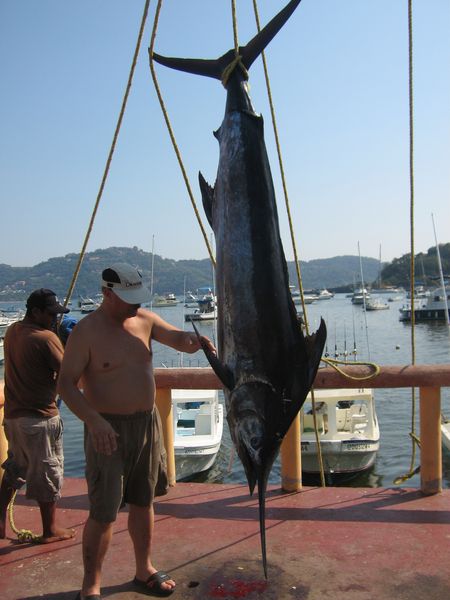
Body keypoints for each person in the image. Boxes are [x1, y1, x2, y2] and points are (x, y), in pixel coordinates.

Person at [57, 263, 216, 600]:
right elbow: (66, 385)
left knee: (144, 502)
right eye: (128, 298)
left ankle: (144, 568)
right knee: (104, 512)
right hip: (106, 431)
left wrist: (195, 341)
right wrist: (93, 420)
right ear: (106, 293)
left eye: (138, 297)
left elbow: (177, 338)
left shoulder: (146, 320)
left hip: (146, 425)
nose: (136, 304)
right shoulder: (86, 331)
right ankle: (91, 585)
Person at [0, 288, 76, 543]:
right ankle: (50, 530)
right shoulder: (45, 338)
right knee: (47, 473)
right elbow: (69, 374)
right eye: (50, 314)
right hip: (39, 418)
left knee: (15, 468)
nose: (54, 319)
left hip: (13, 417)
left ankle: (0, 521)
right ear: (35, 312)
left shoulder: (13, 331)